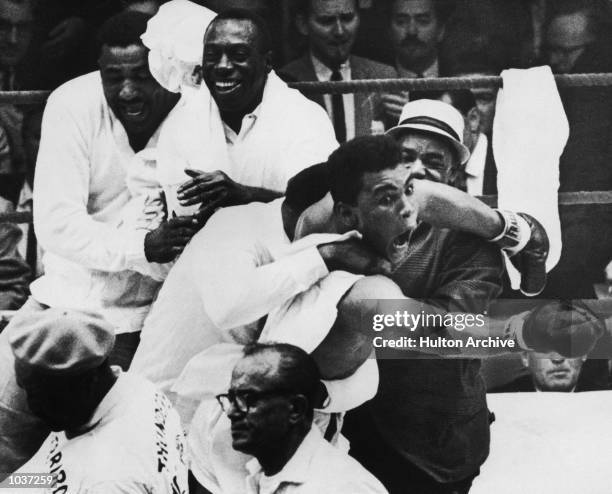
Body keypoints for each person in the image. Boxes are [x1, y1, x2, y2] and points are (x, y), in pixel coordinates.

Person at [0, 10, 195, 475]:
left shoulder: (196, 110)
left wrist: (148, 251)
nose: (127, 91)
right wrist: (143, 247)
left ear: (167, 70)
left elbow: (182, 253)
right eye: (114, 77)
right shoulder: (73, 101)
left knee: (132, 458)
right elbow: (56, 226)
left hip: (147, 324)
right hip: (57, 303)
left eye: (142, 76)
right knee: (7, 436)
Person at [152, 8, 337, 221]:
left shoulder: (305, 118)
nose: (222, 66)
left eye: (238, 55)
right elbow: (180, 217)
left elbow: (321, 212)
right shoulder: (180, 125)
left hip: (287, 251)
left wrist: (247, 196)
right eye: (212, 55)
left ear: (267, 62)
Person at [7, 308, 188, 492]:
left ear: (87, 381)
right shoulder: (134, 386)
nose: (32, 407)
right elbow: (47, 475)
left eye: (39, 395)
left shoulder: (109, 480)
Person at [217, 342, 388, 493]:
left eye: (248, 399)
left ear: (296, 409)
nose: (231, 412)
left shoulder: (344, 486)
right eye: (231, 399)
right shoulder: (257, 480)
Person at [279, 0, 397, 141]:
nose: (339, 31)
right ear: (303, 24)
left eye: (347, 18)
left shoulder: (383, 77)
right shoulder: (284, 83)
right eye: (327, 21)